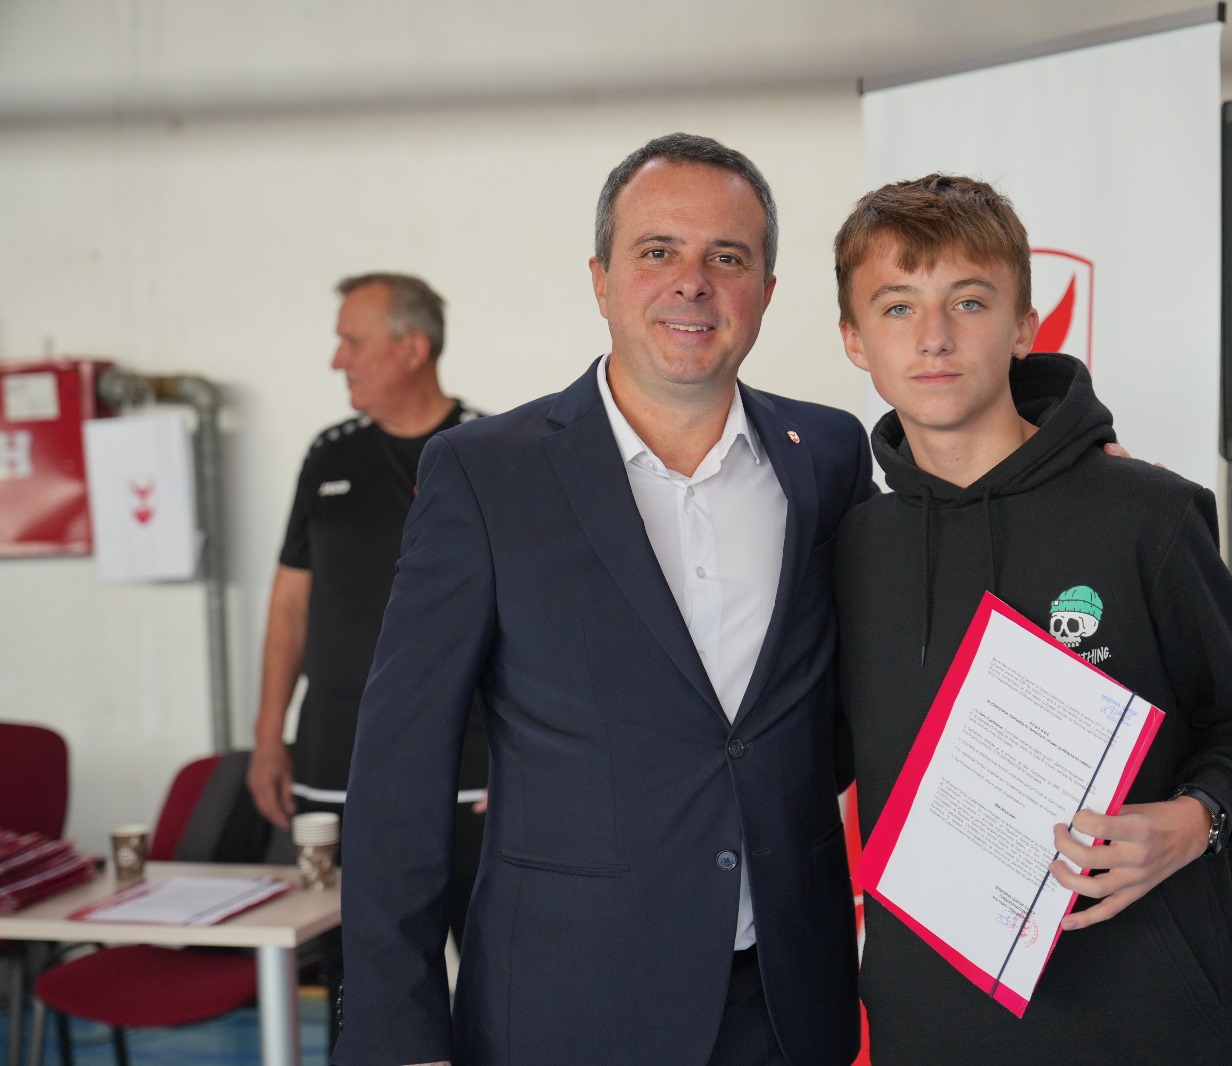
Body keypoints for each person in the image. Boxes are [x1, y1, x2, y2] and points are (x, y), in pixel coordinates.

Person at [332, 135, 876, 1066]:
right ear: (600, 278)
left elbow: (864, 692)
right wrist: (396, 1033)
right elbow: (399, 770)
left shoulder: (828, 455)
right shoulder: (484, 474)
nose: (692, 282)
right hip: (568, 1004)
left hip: (790, 1001)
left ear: (766, 291)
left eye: (728, 257)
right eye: (658, 251)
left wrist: (1070, 459)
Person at [830, 174, 1232, 1064]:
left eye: (968, 301)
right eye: (897, 307)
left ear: (1024, 327)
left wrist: (1196, 820)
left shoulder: (1147, 515)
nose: (934, 337)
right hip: (928, 1030)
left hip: (1143, 1022)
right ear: (855, 340)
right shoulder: (855, 547)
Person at [247, 272, 491, 1040]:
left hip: (470, 773)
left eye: (351, 342)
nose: (336, 360)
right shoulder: (329, 455)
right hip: (335, 766)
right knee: (356, 981)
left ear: (412, 348)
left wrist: (530, 758)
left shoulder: (491, 452)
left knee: (498, 982)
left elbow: (540, 618)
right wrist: (267, 736)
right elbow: (290, 605)